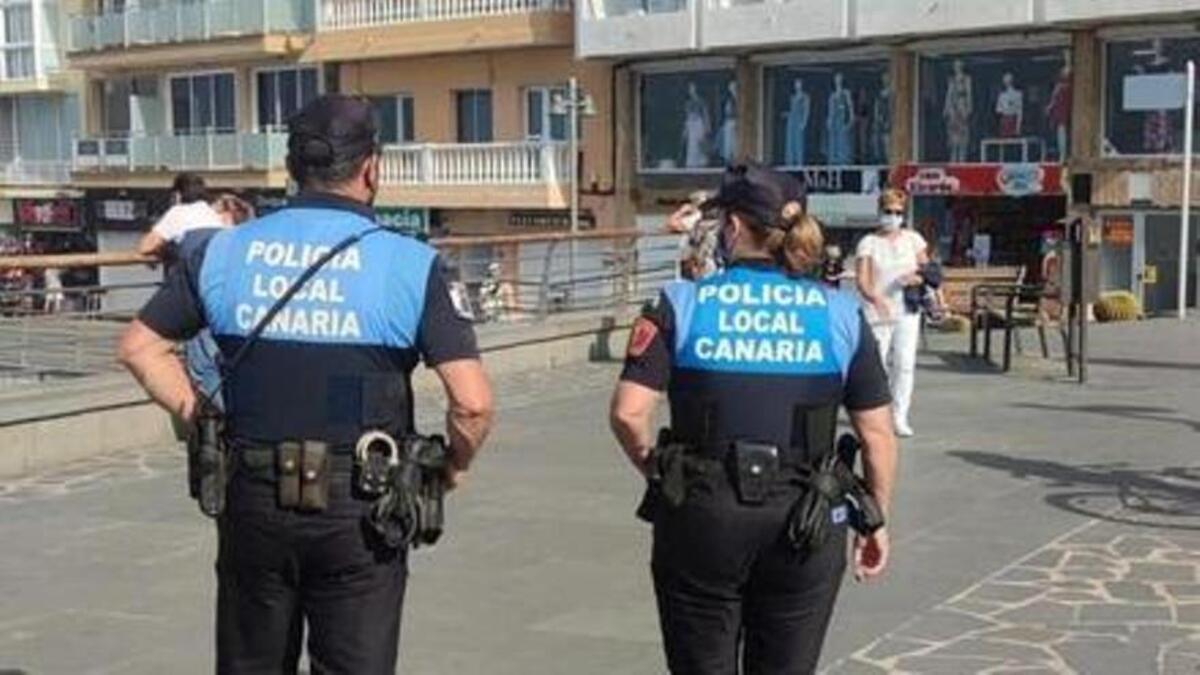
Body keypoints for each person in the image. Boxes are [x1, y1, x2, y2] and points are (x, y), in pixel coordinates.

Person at [117, 95, 495, 673]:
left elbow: (139, 348)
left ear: (292, 170)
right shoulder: (409, 263)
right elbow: (471, 404)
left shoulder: (223, 250)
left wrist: (201, 415)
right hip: (361, 506)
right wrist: (453, 468)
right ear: (372, 168)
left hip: (251, 494)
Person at [610, 163, 897, 674]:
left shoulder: (681, 302)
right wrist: (875, 520)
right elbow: (876, 433)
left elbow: (629, 414)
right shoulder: (839, 312)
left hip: (702, 513)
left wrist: (658, 469)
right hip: (806, 517)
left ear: (735, 227)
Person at [855, 188, 928, 438]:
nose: (893, 216)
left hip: (907, 308)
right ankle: (878, 413)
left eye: (898, 212)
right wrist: (875, 297)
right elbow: (862, 280)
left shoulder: (913, 239)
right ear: (880, 212)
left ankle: (900, 415)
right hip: (878, 310)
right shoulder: (869, 243)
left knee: (905, 364)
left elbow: (928, 270)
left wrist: (916, 277)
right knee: (877, 363)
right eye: (888, 211)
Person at [137, 172, 224, 259]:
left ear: (178, 194)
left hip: (191, 268)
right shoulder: (211, 212)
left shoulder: (177, 212)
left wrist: (162, 249)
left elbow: (146, 247)